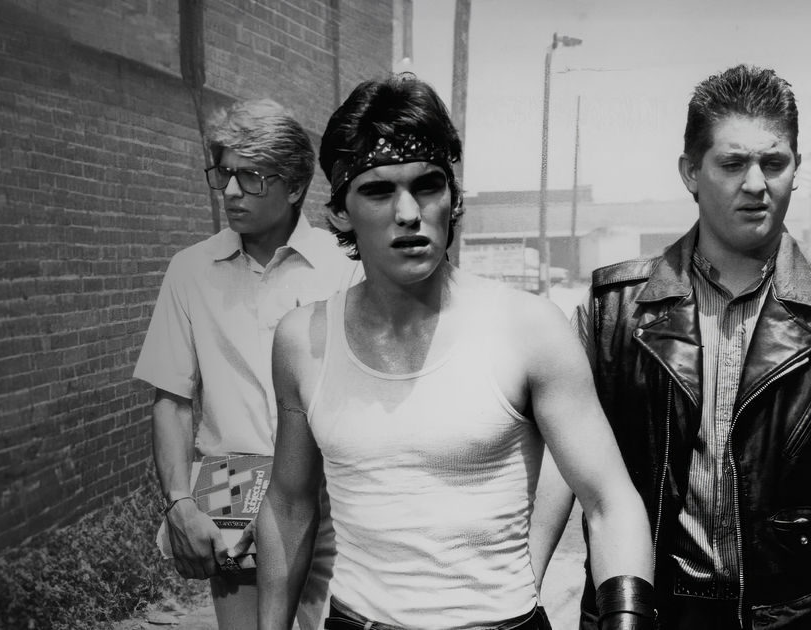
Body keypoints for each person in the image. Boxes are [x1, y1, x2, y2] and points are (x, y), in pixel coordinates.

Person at [256, 74, 656, 630]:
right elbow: (288, 503)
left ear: (454, 197)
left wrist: (626, 619)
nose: (408, 212)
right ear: (342, 211)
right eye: (378, 191)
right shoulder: (303, 340)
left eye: (427, 185)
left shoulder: (527, 329)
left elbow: (611, 502)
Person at [532, 64, 809, 630]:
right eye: (732, 163)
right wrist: (514, 598)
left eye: (773, 162)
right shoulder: (615, 311)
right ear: (690, 172)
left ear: (796, 168)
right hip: (645, 613)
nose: (756, 183)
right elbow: (563, 464)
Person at [134, 98, 361, 630]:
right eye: (225, 174)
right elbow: (171, 400)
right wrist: (179, 504)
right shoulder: (190, 271)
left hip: (337, 503)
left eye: (252, 177)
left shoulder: (345, 267)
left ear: (295, 186)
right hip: (233, 496)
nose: (232, 191)